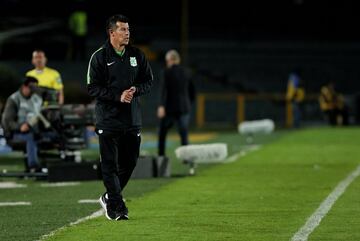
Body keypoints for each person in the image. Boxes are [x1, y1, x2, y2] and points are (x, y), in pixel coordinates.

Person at [87, 14, 153, 220]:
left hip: (132, 120)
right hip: (108, 120)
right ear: (111, 33)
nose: (127, 33)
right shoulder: (99, 57)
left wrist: (136, 89)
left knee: (130, 162)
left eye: (128, 29)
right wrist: (118, 96)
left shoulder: (137, 55)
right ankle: (117, 207)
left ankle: (109, 197)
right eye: (123, 30)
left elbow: (148, 81)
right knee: (109, 164)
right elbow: (92, 88)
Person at [157, 50, 195, 163]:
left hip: (169, 108)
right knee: (184, 133)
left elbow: (163, 91)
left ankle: (161, 156)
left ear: (170, 60)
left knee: (162, 132)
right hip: (184, 108)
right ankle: (186, 158)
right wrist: (188, 103)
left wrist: (161, 106)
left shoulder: (166, 72)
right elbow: (192, 91)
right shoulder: (187, 72)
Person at [1, 77, 45, 172]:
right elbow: (7, 121)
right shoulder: (14, 99)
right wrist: (19, 126)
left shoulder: (36, 99)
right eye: (32, 87)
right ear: (24, 86)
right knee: (31, 138)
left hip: (34, 130)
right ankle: (34, 166)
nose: (34, 90)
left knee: (53, 135)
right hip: (16, 134)